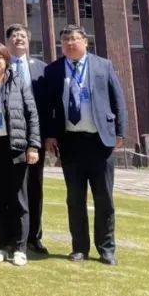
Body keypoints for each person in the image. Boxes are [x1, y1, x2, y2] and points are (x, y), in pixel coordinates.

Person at [42, 24, 127, 266]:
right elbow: (49, 107)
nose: (69, 43)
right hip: (71, 143)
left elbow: (118, 99)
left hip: (100, 142)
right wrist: (49, 135)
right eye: (65, 40)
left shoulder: (103, 65)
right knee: (75, 198)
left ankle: (106, 248)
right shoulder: (54, 70)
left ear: (85, 41)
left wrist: (120, 131)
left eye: (74, 39)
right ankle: (79, 247)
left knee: (104, 198)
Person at [0, 41, 40, 267]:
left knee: (19, 200)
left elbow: (32, 114)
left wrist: (33, 146)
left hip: (15, 147)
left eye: (0, 57)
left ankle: (20, 247)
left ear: (6, 60)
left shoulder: (18, 82)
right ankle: (1, 245)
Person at [5, 23, 49, 255]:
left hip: (34, 138)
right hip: (8, 139)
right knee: (11, 189)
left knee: (35, 187)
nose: (18, 39)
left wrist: (45, 137)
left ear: (28, 41)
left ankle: (34, 236)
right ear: (8, 41)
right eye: (14, 36)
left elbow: (49, 106)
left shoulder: (42, 69)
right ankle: (13, 235)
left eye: (22, 35)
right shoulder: (1, 66)